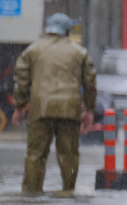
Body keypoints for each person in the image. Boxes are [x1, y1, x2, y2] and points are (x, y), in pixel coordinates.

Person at [11, 13, 97, 194]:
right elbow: (90, 83)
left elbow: (22, 80)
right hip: (69, 111)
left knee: (35, 155)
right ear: (67, 32)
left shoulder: (32, 51)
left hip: (40, 109)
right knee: (69, 156)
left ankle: (32, 193)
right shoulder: (79, 53)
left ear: (47, 30)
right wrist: (89, 109)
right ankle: (68, 191)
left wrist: (19, 106)